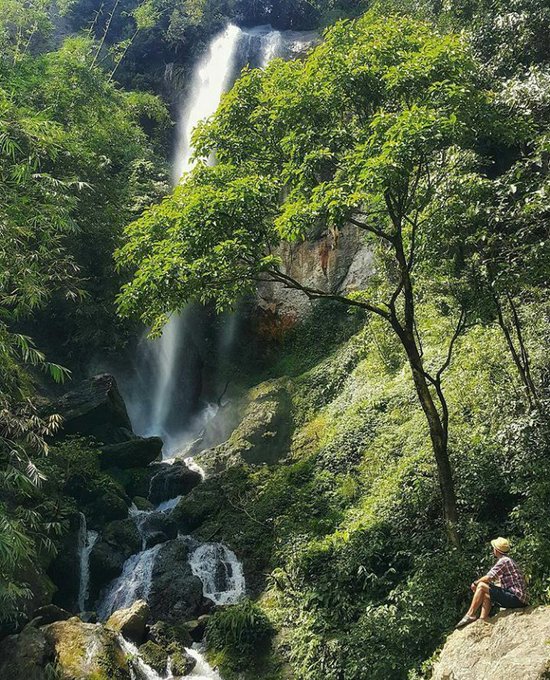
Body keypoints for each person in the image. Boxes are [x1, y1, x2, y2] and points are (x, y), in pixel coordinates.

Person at [456, 537, 528, 628]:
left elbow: (489, 577)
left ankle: (470, 614)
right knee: (487, 593)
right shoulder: (510, 561)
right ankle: (483, 620)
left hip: (515, 597)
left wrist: (475, 583)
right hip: (518, 599)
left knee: (482, 586)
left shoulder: (504, 561)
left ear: (496, 550)